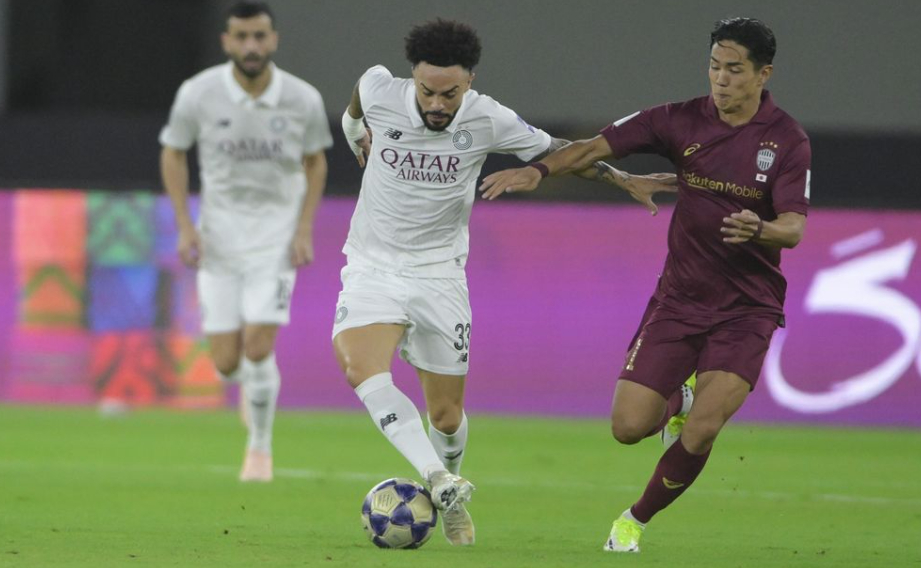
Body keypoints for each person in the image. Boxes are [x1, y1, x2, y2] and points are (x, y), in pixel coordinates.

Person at [334, 19, 676, 547]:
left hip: (440, 275)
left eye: (450, 93)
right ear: (412, 79)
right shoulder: (380, 88)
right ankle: (439, 481)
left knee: (445, 417)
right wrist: (355, 131)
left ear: (469, 81)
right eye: (427, 91)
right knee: (360, 366)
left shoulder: (487, 118)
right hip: (372, 265)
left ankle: (449, 473)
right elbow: (356, 104)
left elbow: (561, 149)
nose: (437, 104)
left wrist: (623, 177)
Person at [480, 17, 811, 553]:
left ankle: (633, 521)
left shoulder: (786, 140)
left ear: (762, 74)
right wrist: (539, 172)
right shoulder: (677, 120)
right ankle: (678, 393)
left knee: (702, 428)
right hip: (680, 300)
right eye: (714, 67)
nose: (720, 80)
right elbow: (594, 147)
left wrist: (762, 227)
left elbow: (794, 228)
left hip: (747, 308)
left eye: (734, 70)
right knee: (628, 427)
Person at [159, 1, 332, 482]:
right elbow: (173, 152)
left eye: (260, 36)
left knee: (258, 347)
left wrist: (303, 228)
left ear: (273, 40)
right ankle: (252, 387)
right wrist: (184, 224)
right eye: (242, 37)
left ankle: (259, 448)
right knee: (227, 361)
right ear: (226, 42)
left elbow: (316, 161)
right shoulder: (198, 93)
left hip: (275, 241)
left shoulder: (302, 99)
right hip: (219, 240)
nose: (251, 46)